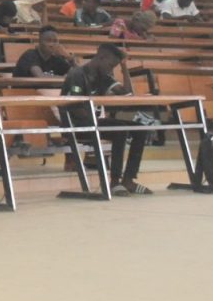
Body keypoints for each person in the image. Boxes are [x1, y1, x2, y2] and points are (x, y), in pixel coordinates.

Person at [60, 44, 150, 195]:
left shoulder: (104, 76)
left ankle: (128, 180)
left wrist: (124, 67)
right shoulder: (77, 75)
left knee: (139, 129)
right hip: (76, 125)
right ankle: (114, 182)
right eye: (111, 65)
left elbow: (127, 94)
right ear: (101, 57)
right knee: (119, 130)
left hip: (94, 122)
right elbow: (74, 107)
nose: (111, 70)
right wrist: (98, 115)